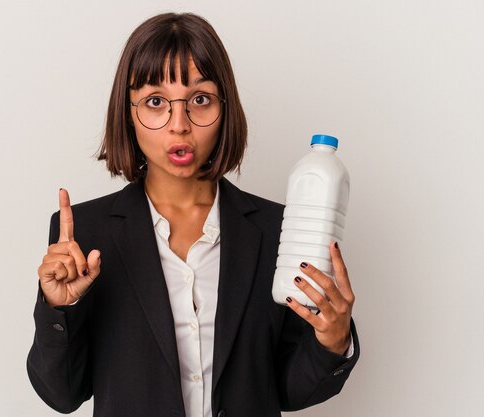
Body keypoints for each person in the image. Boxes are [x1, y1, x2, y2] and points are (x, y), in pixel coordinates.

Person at [27, 12, 359, 417]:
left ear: (225, 107)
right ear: (128, 113)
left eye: (200, 99)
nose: (179, 125)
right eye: (155, 102)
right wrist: (59, 308)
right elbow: (62, 394)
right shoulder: (86, 233)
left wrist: (333, 340)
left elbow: (286, 390)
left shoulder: (276, 230)